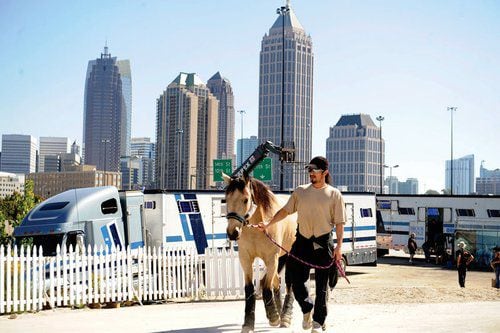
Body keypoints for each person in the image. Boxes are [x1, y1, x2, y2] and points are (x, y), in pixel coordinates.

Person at [258, 156, 346, 333]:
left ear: (325, 173)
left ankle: (318, 322)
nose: (311, 173)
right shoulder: (300, 192)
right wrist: (267, 224)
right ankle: (307, 309)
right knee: (295, 281)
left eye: (315, 170)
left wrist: (338, 247)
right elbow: (284, 211)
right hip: (302, 242)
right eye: (309, 170)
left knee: (322, 287)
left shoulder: (334, 194)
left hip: (323, 242)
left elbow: (339, 223)